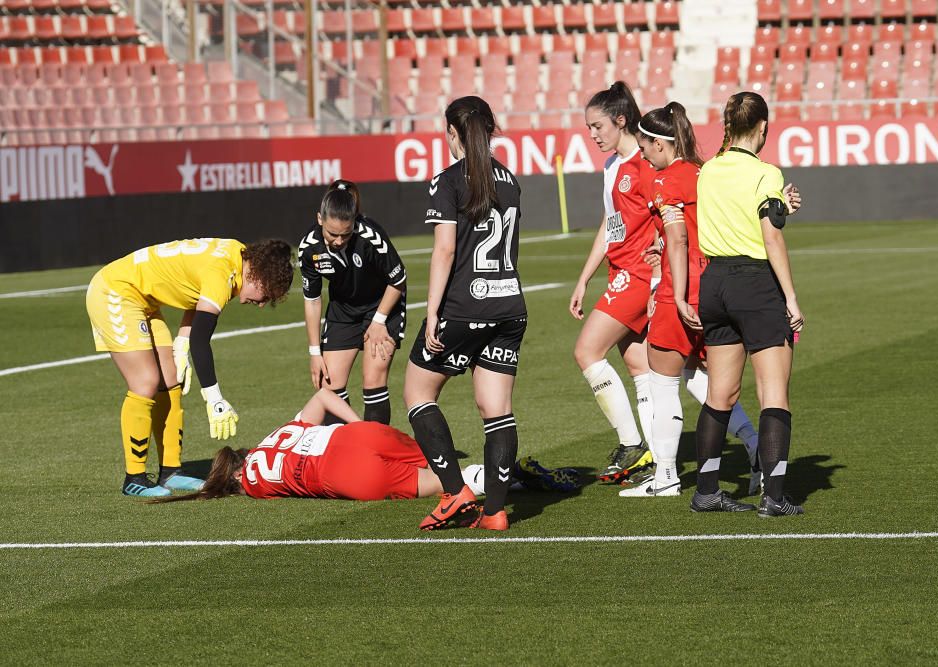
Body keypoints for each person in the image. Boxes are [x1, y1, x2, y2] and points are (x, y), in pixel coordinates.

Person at [620, 101, 762, 499]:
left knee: (663, 383)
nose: (643, 152)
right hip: (717, 285)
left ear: (660, 144)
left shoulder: (665, 180)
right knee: (704, 379)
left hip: (681, 290)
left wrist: (673, 292)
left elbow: (679, 237)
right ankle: (754, 447)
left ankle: (665, 475)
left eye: (645, 144)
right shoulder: (703, 173)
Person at [403, 96, 527, 532]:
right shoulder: (509, 179)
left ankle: (455, 490)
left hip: (463, 306)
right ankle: (495, 512)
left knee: (418, 393)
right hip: (510, 305)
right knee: (497, 409)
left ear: (453, 134)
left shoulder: (448, 181)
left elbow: (445, 249)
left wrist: (432, 311)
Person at [86, 238, 294, 497]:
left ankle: (170, 472)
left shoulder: (236, 257)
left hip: (143, 300)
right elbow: (201, 339)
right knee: (145, 382)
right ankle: (134, 478)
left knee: (171, 379)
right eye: (267, 295)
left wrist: (181, 344)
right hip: (115, 291)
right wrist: (214, 398)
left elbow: (196, 296)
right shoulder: (223, 274)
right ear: (260, 277)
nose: (262, 303)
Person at [688, 91, 804, 516]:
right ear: (764, 127)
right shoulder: (766, 172)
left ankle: (706, 490)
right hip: (754, 283)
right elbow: (769, 234)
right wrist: (791, 297)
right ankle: (774, 497)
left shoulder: (709, 171)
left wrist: (780, 207)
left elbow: (741, 215)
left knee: (720, 393)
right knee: (774, 393)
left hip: (714, 282)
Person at [152, 389, 579, 503]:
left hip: (345, 475)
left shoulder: (255, 484)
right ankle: (511, 472)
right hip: (355, 435)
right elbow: (321, 396)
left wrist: (200, 486)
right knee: (442, 465)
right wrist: (361, 428)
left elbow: (232, 485)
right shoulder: (274, 436)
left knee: (450, 484)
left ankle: (510, 478)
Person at [569, 81, 658, 484]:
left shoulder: (646, 160)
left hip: (639, 274)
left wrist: (659, 271)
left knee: (587, 351)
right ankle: (657, 453)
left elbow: (666, 215)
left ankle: (631, 443)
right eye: (588, 128)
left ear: (621, 121)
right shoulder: (611, 167)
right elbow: (611, 225)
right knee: (639, 364)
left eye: (597, 126)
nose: (592, 135)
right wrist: (584, 278)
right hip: (620, 272)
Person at [298, 179, 407, 425]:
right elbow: (313, 301)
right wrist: (314, 352)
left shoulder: (370, 236)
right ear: (319, 219)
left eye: (345, 235)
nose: (338, 241)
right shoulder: (309, 248)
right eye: (332, 234)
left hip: (382, 305)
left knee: (373, 380)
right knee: (329, 387)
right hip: (343, 309)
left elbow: (398, 279)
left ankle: (376, 453)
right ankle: (350, 447)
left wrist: (378, 321)